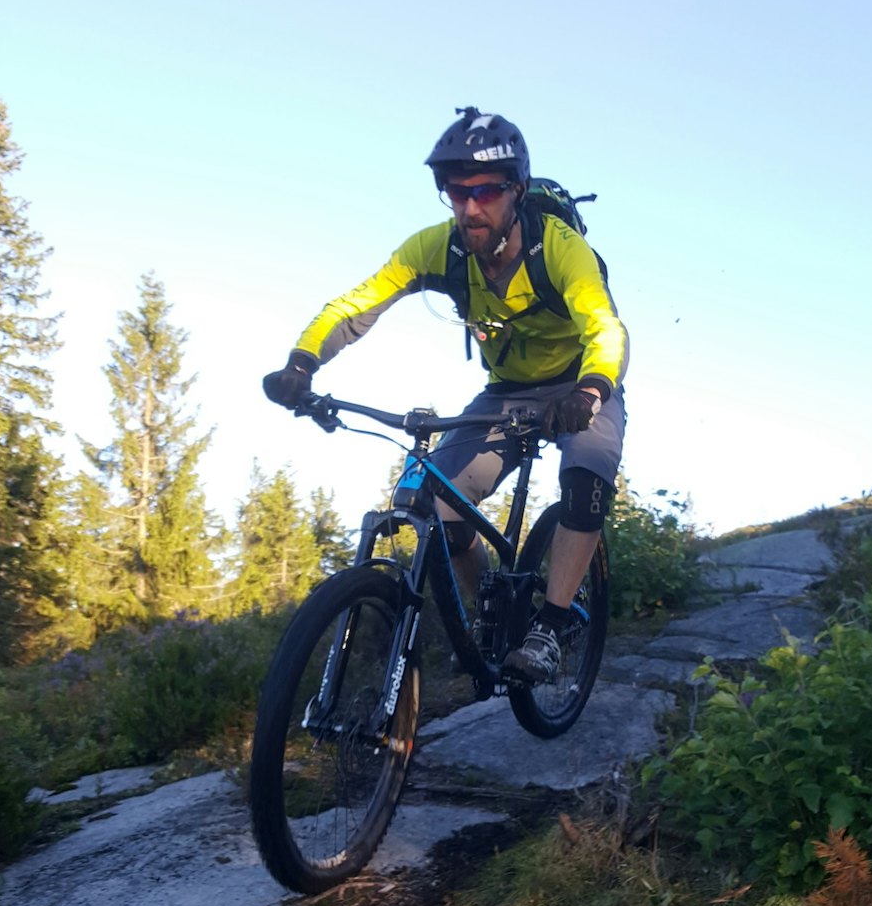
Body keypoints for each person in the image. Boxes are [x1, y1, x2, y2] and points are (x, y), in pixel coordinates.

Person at [263, 107, 628, 683]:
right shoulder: (438, 249)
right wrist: (302, 362)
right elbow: (357, 305)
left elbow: (604, 325)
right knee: (440, 504)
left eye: (485, 191)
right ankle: (486, 604)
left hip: (580, 383)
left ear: (517, 191)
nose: (469, 207)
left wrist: (590, 390)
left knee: (586, 475)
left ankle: (553, 627)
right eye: (455, 193)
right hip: (506, 392)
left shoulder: (557, 248)